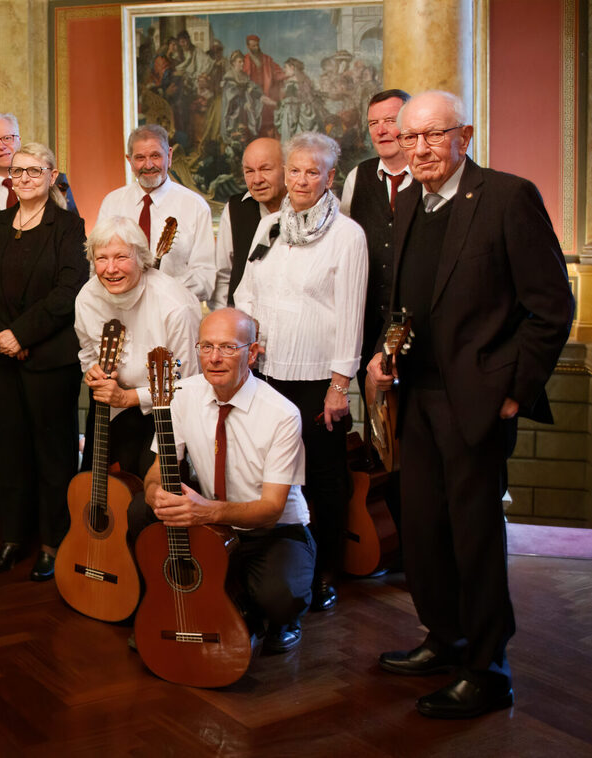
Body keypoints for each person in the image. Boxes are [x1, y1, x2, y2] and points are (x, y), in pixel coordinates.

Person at [368, 90, 574, 719]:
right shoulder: (408, 206)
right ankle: (445, 636)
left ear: (466, 135)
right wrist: (385, 352)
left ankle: (488, 669)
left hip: (478, 401)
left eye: (435, 134)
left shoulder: (508, 197)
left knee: (474, 535)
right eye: (411, 138)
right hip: (417, 397)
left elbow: (551, 307)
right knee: (424, 531)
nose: (422, 148)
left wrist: (515, 388)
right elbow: (408, 301)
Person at [233, 131, 368, 614]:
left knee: (323, 478)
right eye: (295, 170)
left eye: (314, 171)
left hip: (317, 380)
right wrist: (249, 334)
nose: (302, 179)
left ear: (331, 177)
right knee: (274, 477)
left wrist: (339, 386)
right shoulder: (269, 226)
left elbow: (352, 314)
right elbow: (245, 290)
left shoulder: (348, 236)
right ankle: (277, 565)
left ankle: (324, 569)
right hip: (265, 373)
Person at [131, 308, 315, 653]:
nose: (214, 358)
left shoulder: (282, 414)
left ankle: (266, 610)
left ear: (253, 353)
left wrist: (208, 512)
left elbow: (271, 509)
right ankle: (161, 603)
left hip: (271, 531)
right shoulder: (180, 393)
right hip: (213, 522)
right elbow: (158, 467)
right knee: (142, 508)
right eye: (206, 346)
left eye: (228, 347)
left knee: (280, 597)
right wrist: (155, 492)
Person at [0, 142, 87, 581]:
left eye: (34, 171)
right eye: (18, 172)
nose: (25, 179)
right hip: (0, 358)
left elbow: (69, 291)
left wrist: (22, 334)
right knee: (11, 451)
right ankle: (12, 539)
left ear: (53, 176)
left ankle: (54, 543)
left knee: (53, 454)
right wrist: (4, 336)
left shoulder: (70, 227)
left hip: (50, 359)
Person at [74, 215, 201, 480]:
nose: (110, 269)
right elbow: (87, 350)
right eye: (101, 258)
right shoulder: (87, 297)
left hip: (165, 414)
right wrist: (92, 371)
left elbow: (187, 382)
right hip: (110, 408)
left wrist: (130, 397)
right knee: (99, 490)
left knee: (150, 495)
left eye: (121, 257)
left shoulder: (175, 306)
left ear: (141, 258)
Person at [96, 124, 224, 306]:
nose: (148, 165)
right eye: (140, 158)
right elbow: (97, 264)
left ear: (169, 156)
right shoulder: (112, 203)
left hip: (175, 312)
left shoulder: (195, 206)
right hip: (122, 311)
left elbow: (205, 276)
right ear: (129, 160)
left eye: (155, 156)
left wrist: (160, 292)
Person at [340, 89, 413, 392]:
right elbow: (344, 247)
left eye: (390, 120)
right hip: (368, 328)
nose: (380, 130)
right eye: (373, 123)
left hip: (419, 330)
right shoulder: (357, 177)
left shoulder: (430, 175)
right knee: (376, 429)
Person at [0, 112, 76, 226]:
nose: (1, 146)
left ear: (19, 141)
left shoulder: (54, 181)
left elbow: (73, 232)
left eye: (7, 138)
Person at [217, 137, 286, 306]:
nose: (257, 180)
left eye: (265, 169)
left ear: (286, 169)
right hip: (242, 323)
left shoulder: (305, 208)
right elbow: (223, 275)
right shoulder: (235, 209)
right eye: (249, 171)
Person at [241, 35, 284, 132]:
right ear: (248, 47)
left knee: (268, 120)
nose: (256, 48)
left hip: (266, 91)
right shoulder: (245, 60)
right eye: (253, 46)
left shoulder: (267, 59)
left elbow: (277, 72)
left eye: (257, 45)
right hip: (252, 94)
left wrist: (288, 76)